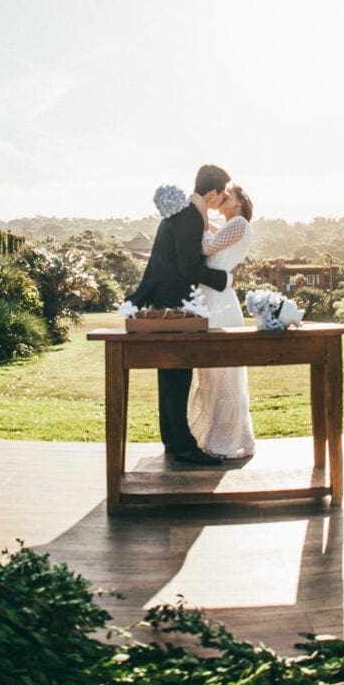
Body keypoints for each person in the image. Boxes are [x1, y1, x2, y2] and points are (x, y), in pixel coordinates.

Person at [127, 164, 234, 465]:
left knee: (169, 373)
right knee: (178, 372)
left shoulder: (182, 212)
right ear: (211, 193)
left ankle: (173, 439)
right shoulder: (189, 216)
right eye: (222, 193)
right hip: (175, 304)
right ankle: (184, 445)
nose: (222, 199)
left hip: (164, 299)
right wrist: (224, 280)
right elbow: (188, 267)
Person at [187, 185, 256, 458]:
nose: (223, 198)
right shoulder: (228, 227)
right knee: (211, 375)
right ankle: (220, 437)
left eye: (229, 196)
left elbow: (205, 246)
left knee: (224, 375)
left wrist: (203, 213)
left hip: (221, 305)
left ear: (240, 203)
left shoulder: (239, 223)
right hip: (211, 301)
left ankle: (225, 441)